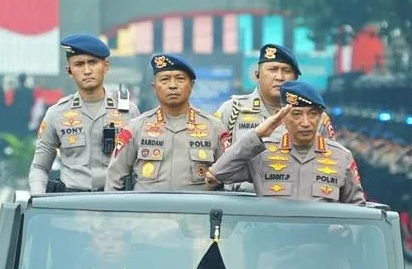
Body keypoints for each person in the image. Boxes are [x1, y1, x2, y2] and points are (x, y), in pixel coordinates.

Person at [206, 80, 365, 203]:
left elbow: (358, 208)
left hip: (321, 242)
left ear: (321, 116)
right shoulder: (263, 152)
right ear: (282, 117)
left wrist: (343, 232)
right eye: (296, 114)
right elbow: (218, 172)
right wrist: (257, 134)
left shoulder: (341, 157)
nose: (305, 122)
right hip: (272, 242)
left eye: (312, 114)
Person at [28, 34, 139, 194]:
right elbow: (40, 167)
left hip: (115, 204)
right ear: (69, 71)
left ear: (106, 66)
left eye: (93, 63)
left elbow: (139, 165)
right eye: (79, 64)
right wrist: (37, 197)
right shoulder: (57, 113)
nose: (87, 70)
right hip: (72, 202)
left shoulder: (129, 111)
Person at [105, 53, 224, 193]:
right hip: (148, 212)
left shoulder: (214, 128)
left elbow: (229, 178)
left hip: (198, 212)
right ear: (154, 87)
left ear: (191, 85)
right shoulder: (135, 128)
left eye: (180, 79)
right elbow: (114, 179)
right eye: (165, 79)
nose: (173, 85)